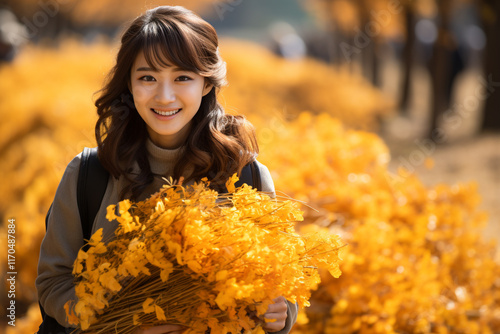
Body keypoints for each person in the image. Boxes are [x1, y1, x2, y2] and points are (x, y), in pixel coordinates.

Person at [36, 5, 298, 334]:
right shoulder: (88, 174)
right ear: (129, 83)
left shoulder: (246, 178)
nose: (164, 95)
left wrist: (279, 312)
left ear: (206, 83)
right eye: (147, 77)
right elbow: (52, 282)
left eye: (182, 78)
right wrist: (120, 322)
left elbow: (280, 290)